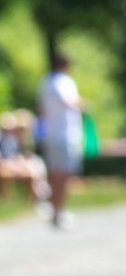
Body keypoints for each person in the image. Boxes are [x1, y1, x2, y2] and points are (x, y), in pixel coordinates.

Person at [38, 51, 83, 230]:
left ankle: (54, 209)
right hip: (65, 134)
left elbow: (41, 108)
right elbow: (69, 101)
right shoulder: (64, 82)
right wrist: (83, 104)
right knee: (64, 175)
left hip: (50, 133)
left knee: (55, 174)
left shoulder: (46, 82)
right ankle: (59, 211)